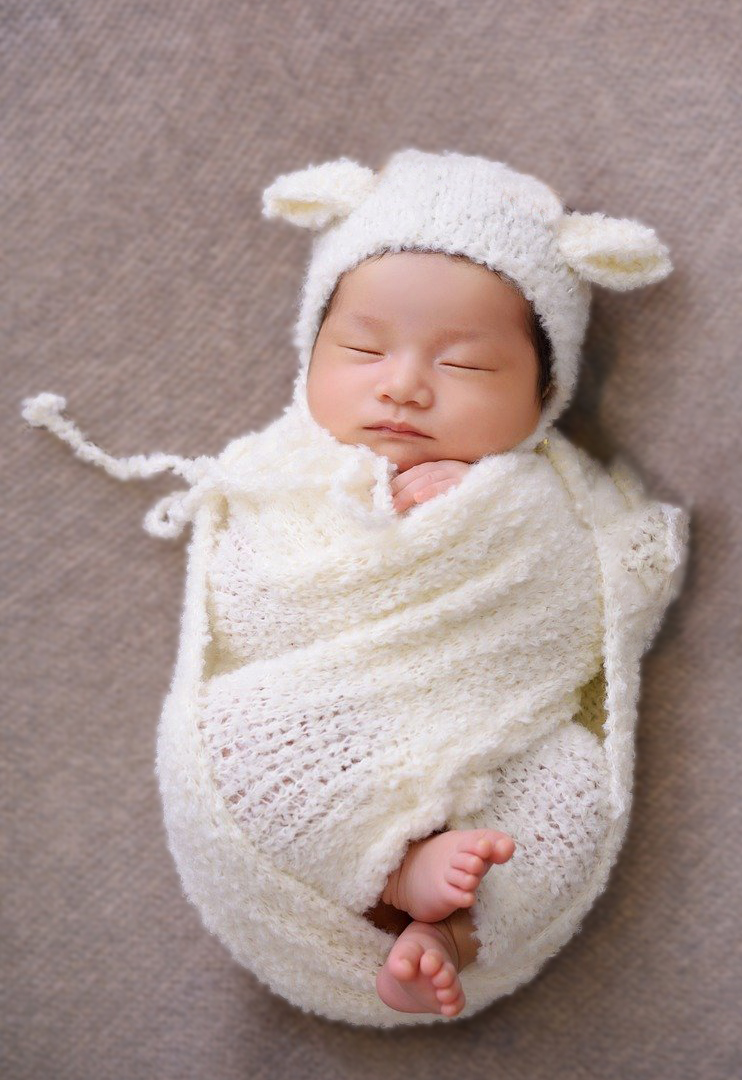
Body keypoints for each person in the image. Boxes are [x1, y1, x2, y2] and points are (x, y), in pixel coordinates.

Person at [306, 247, 552, 1016]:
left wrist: (489, 516)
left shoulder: (548, 492)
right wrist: (379, 528)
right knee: (232, 746)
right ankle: (391, 873)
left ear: (545, 396)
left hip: (496, 730)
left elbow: (594, 595)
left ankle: (453, 939)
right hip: (334, 715)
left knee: (570, 798)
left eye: (466, 366)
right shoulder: (282, 475)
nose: (403, 385)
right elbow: (258, 600)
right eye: (363, 350)